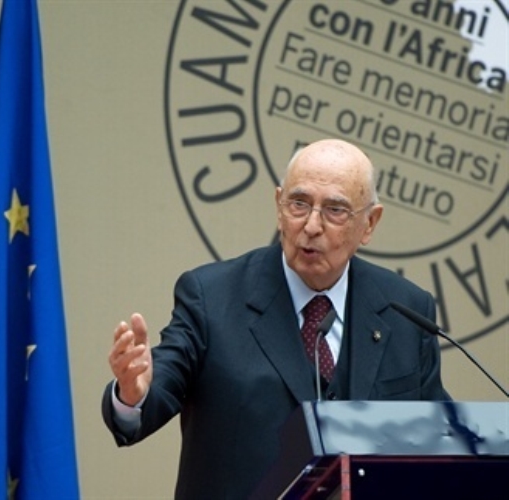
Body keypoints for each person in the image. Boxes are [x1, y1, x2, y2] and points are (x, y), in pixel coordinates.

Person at [101, 138, 450, 499]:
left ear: (369, 223)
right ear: (279, 206)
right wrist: (134, 394)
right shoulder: (211, 296)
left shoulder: (406, 309)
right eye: (299, 204)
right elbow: (162, 381)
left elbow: (442, 437)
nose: (311, 225)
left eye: (335, 210)